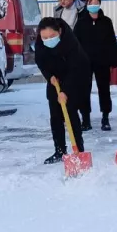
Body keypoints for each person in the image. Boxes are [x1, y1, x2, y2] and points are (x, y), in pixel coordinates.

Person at [34, 17, 89, 164]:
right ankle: (59, 150)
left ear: (59, 31)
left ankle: (79, 150)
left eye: (52, 36)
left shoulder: (70, 43)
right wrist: (49, 77)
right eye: (45, 37)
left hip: (74, 76)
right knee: (56, 116)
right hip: (54, 78)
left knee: (70, 113)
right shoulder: (40, 42)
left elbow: (75, 69)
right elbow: (40, 61)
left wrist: (65, 91)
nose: (48, 40)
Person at [73, 0, 117, 131]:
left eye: (96, 2)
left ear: (99, 4)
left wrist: (114, 59)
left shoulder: (106, 22)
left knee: (104, 89)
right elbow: (76, 43)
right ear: (87, 5)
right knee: (84, 90)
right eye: (91, 2)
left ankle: (105, 118)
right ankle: (85, 119)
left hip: (102, 61)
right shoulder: (81, 22)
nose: (93, 5)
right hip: (85, 63)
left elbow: (112, 40)